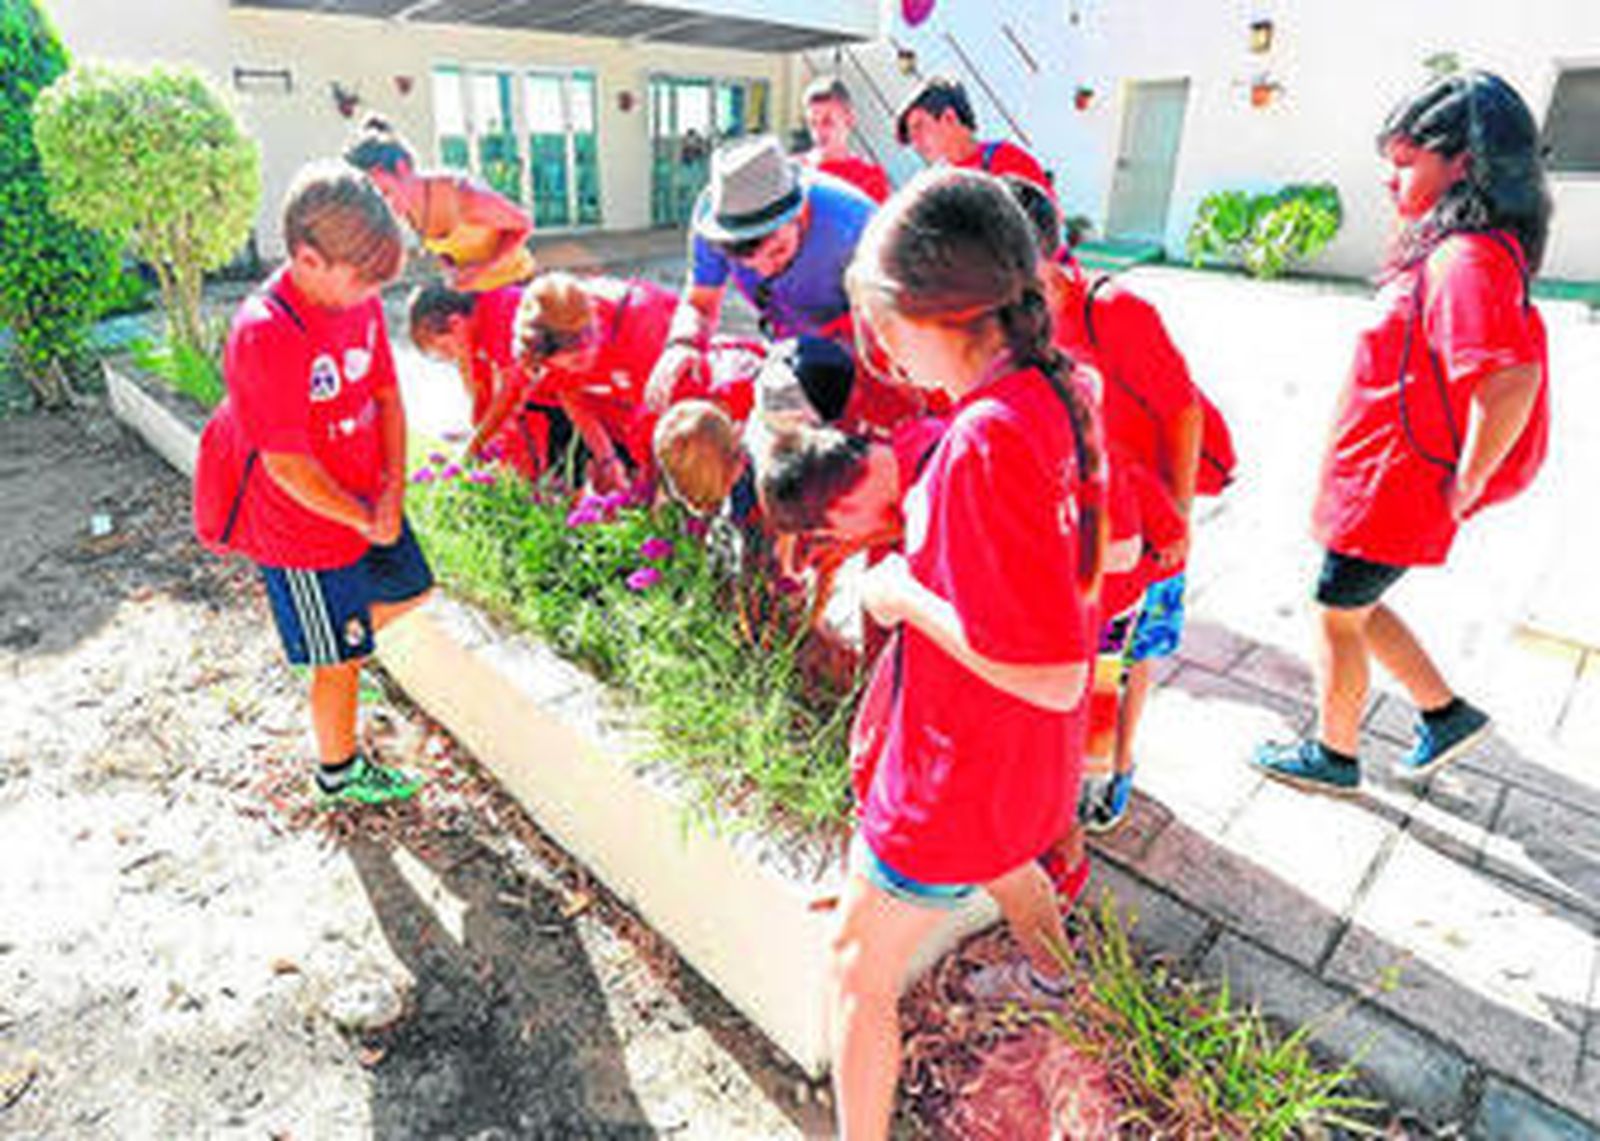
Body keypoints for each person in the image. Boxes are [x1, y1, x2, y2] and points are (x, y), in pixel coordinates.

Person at [827, 167, 1104, 1140]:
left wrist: (901, 592)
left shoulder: (984, 438)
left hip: (956, 772)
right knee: (1011, 863)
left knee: (855, 969)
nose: (881, 347)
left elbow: (1052, 668)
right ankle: (1062, 977)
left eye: (881, 323)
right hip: (1028, 769)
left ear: (931, 313)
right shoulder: (1059, 389)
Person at [1254, 71, 1552, 793]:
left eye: (1406, 160)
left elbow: (1510, 381)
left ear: (1462, 163)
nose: (1391, 178)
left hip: (1395, 485)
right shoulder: (1457, 250)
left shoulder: (1465, 257)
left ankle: (1334, 753)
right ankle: (1444, 713)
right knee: (1353, 604)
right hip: (1380, 479)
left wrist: (1469, 482)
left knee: (1335, 613)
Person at [213, 163, 432, 803]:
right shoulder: (265, 331)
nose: (372, 296)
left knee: (412, 586)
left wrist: (391, 491)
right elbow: (286, 467)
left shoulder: (357, 302)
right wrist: (363, 517)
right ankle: (338, 773)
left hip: (364, 498)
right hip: (302, 530)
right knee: (338, 659)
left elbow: (387, 397)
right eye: (362, 280)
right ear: (308, 259)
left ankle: (331, 651)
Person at [1006, 174, 1204, 833]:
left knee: (1128, 649)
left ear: (1047, 254)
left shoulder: (1116, 312)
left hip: (1143, 520)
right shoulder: (1008, 324)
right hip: (1067, 526)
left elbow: (1182, 411)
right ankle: (1062, 764)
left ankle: (1116, 764)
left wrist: (1178, 519)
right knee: (1081, 655)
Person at [645, 135, 876, 410]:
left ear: (801, 211)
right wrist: (683, 343)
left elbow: (892, 321)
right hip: (786, 345)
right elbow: (701, 303)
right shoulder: (717, 218)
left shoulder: (857, 225)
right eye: (747, 263)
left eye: (777, 251)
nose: (765, 272)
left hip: (856, 343)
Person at [345, 115, 536, 293]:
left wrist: (482, 269)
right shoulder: (409, 208)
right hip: (479, 293)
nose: (384, 206)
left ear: (402, 167)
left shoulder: (464, 196)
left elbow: (524, 224)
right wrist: (452, 269)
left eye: (385, 192)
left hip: (516, 285)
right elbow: (449, 247)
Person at [407, 282, 560, 482]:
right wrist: (479, 441)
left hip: (571, 388)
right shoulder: (473, 328)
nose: (452, 357)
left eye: (445, 348)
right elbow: (481, 395)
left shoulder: (502, 311)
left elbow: (512, 390)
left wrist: (472, 449)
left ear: (456, 323)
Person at [894, 75, 1053, 195]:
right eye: (910, 137)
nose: (915, 143)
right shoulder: (936, 187)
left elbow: (1046, 221)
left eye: (919, 126)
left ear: (949, 118)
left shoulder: (1006, 159)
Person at [800, 76, 892, 204]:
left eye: (828, 122)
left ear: (849, 120)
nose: (819, 132)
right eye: (813, 123)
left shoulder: (870, 179)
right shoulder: (797, 173)